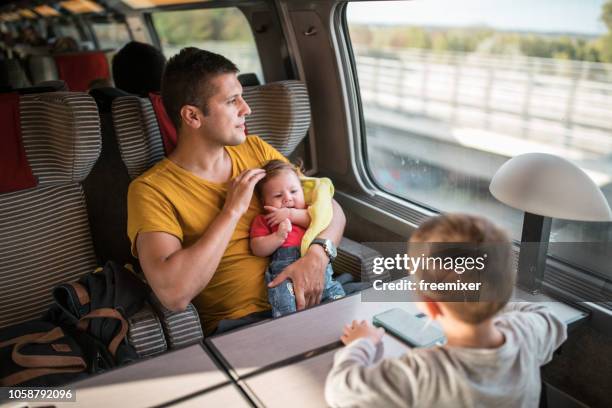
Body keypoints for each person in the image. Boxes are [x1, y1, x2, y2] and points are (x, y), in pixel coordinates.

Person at [127, 47, 345, 335]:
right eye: (232, 101)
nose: (246, 109)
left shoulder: (255, 149)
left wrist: (319, 256)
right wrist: (232, 210)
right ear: (192, 116)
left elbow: (331, 209)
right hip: (249, 325)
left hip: (316, 294)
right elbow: (174, 293)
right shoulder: (151, 190)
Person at [325, 214, 567, 407]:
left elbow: (341, 390)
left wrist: (362, 344)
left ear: (428, 304)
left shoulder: (422, 374)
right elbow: (552, 320)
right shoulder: (527, 333)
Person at [250, 160, 345, 317]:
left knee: (335, 294)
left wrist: (290, 214)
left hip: (319, 270)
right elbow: (257, 247)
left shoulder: (309, 211)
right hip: (285, 271)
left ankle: (338, 316)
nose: (287, 199)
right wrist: (277, 237)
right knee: (283, 299)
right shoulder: (265, 219)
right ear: (264, 201)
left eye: (294, 191)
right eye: (278, 195)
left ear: (303, 191)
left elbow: (319, 221)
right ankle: (290, 324)